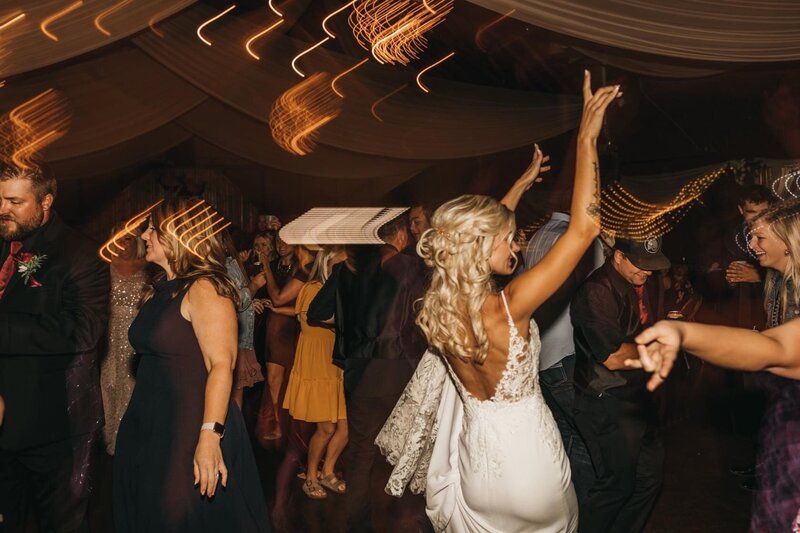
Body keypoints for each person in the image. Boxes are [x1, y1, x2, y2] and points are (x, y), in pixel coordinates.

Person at [376, 71, 619, 531]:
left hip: (478, 471)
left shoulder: (437, 309)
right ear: (479, 246)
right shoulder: (509, 305)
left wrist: (520, 187)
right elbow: (585, 229)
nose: (517, 248)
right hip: (531, 469)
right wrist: (586, 139)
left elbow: (472, 239)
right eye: (509, 240)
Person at [632, 198, 800, 532]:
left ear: (789, 240)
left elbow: (775, 348)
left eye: (760, 238)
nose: (752, 246)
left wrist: (684, 332)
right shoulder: (782, 285)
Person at [113, 198, 270, 532]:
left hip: (189, 427)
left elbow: (220, 365)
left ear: (179, 236)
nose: (145, 234)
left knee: (180, 517)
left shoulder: (206, 288)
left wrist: (210, 437)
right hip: (151, 423)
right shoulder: (160, 289)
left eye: (154, 228)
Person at [0, 164, 109, 533]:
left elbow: (85, 331)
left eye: (15, 201)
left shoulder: (79, 254)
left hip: (53, 427)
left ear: (46, 201)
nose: (3, 209)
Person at [570, 235, 670, 533]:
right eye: (641, 264)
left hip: (636, 398)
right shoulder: (596, 291)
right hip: (606, 400)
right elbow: (612, 357)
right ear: (618, 256)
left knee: (649, 479)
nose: (648, 271)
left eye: (652, 265)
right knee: (616, 487)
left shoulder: (636, 284)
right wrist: (659, 347)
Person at [523, 207, 604, 502]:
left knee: (560, 439)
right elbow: (599, 293)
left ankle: (561, 506)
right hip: (568, 352)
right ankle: (581, 511)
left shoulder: (538, 236)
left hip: (540, 353)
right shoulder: (581, 241)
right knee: (587, 438)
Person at [278, 246, 348, 499]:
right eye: (337, 265)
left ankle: (327, 471)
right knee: (326, 428)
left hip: (336, 363)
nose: (342, 270)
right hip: (317, 363)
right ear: (325, 266)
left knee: (345, 428)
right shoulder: (312, 289)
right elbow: (311, 322)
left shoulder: (341, 291)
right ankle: (310, 476)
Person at [100, 222, 149, 455]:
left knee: (132, 384)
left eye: (129, 239)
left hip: (137, 331)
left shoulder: (148, 266)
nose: (124, 244)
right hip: (111, 331)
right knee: (109, 382)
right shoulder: (105, 266)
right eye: (120, 239)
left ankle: (131, 438)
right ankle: (111, 436)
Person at [221, 231, 264, 409]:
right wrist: (254, 286)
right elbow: (234, 300)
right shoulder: (226, 266)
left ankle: (236, 433)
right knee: (232, 394)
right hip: (233, 337)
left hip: (240, 336)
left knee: (236, 392)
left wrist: (252, 302)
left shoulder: (233, 265)